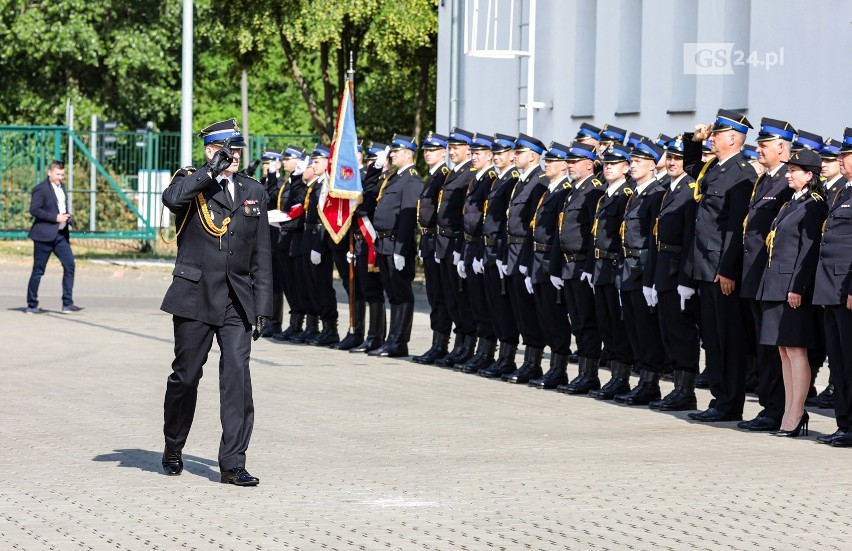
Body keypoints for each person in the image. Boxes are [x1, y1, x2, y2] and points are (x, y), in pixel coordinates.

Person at [160, 118, 272, 486]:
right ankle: (174, 445)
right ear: (211, 150)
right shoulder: (191, 182)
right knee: (186, 376)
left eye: (238, 150)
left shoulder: (253, 189)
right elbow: (172, 200)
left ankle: (232, 463)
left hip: (237, 301)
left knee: (238, 378)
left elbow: (262, 256)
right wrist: (211, 170)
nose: (235, 156)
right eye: (228, 150)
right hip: (194, 296)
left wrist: (263, 306)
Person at [684, 109, 757, 423]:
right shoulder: (715, 167)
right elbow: (690, 166)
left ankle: (730, 402)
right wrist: (694, 140)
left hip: (721, 269)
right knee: (712, 338)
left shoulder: (742, 173)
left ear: (732, 138)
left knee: (728, 338)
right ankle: (718, 398)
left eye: (716, 135)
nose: (711, 139)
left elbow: (736, 227)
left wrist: (727, 269)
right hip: (704, 264)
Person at [756, 148, 828, 437]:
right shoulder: (791, 203)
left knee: (796, 351)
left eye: (793, 171)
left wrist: (798, 287)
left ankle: (797, 412)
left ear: (809, 175)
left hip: (792, 288)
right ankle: (789, 409)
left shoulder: (814, 205)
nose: (788, 174)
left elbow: (809, 252)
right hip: (775, 285)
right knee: (783, 351)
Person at [737, 118, 795, 433]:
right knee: (763, 347)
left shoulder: (787, 182)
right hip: (755, 276)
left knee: (774, 348)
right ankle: (769, 406)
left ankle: (776, 409)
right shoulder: (765, 180)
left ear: (782, 147)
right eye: (759, 144)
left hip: (772, 277)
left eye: (764, 144)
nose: (758, 149)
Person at [646, 136, 701, 411]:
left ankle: (686, 391)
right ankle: (677, 388)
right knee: (668, 331)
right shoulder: (670, 189)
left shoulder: (690, 190)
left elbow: (691, 237)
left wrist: (686, 280)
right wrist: (651, 279)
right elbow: (656, 237)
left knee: (682, 333)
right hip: (663, 270)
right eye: (669, 157)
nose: (672, 162)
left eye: (677, 158)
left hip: (678, 270)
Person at [613, 138, 667, 406]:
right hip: (628, 268)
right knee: (633, 328)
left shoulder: (657, 193)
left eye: (637, 162)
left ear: (652, 165)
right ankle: (642, 380)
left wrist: (650, 277)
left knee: (646, 330)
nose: (632, 166)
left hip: (643, 268)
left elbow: (654, 239)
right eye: (631, 162)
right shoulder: (635, 193)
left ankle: (650, 383)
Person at [550, 142, 605, 394]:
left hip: (582, 263)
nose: (570, 166)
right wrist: (556, 266)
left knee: (587, 322)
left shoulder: (593, 191)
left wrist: (590, 266)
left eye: (574, 162)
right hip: (568, 265)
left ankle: (590, 374)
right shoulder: (573, 191)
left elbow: (596, 233)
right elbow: (561, 231)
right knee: (577, 323)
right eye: (568, 162)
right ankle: (583, 372)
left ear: (589, 164)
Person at [523, 141, 574, 389]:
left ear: (564, 165)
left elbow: (558, 233)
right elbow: (534, 230)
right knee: (543, 315)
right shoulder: (547, 191)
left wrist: (554, 267)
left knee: (555, 318)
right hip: (538, 260)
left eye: (552, 161)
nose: (547, 164)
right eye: (546, 160)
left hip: (551, 261)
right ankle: (549, 367)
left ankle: (559, 369)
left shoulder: (564, 191)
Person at [813, 127, 852, 446]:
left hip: (847, 290)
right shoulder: (845, 192)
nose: (840, 159)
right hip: (832, 289)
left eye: (845, 155)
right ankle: (845, 423)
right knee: (838, 362)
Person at [588, 143, 636, 400]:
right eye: (606, 164)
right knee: (606, 324)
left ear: (626, 168)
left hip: (616, 266)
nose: (607, 168)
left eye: (614, 164)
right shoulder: (606, 194)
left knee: (618, 327)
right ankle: (615, 377)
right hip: (600, 267)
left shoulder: (625, 195)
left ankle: (622, 378)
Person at [501, 133, 549, 383]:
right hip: (512, 250)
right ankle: (525, 361)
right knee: (518, 310)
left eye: (518, 153)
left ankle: (534, 362)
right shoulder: (521, 181)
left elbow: (533, 227)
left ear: (532, 156)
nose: (513, 156)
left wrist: (526, 260)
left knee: (529, 312)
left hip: (524, 251)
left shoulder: (539, 182)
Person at [368, 134, 421, 357]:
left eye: (397, 152)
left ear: (409, 154)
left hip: (396, 244)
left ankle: (400, 341)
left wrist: (401, 249)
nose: (393, 155)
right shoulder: (394, 177)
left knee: (402, 293)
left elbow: (408, 218)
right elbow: (369, 194)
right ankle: (392, 339)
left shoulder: (411, 179)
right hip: (383, 243)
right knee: (392, 294)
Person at [477, 134, 522, 378]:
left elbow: (509, 222)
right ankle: (495, 354)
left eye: (501, 154)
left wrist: (504, 254)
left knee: (504, 307)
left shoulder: (511, 179)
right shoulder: (499, 180)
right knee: (493, 304)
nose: (496, 157)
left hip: (502, 250)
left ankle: (507, 356)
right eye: (494, 154)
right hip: (490, 249)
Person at [434, 128, 478, 367]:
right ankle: (458, 344)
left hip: (456, 241)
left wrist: (461, 248)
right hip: (444, 242)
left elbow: (465, 216)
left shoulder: (469, 174)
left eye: (455, 148)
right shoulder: (453, 173)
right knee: (450, 297)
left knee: (462, 298)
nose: (451, 151)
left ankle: (467, 345)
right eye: (449, 148)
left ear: (467, 150)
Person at [456, 133, 499, 373]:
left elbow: (486, 222)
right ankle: (480, 351)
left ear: (490, 156)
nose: (473, 157)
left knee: (485, 303)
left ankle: (487, 351)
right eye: (472, 153)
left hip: (481, 247)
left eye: (478, 154)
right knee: (475, 302)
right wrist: (464, 252)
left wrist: (481, 253)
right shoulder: (476, 179)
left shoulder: (490, 179)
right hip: (470, 245)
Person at [411, 133, 453, 364]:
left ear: (442, 152)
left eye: (432, 150)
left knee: (442, 296)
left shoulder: (443, 176)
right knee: (434, 296)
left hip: (439, 241)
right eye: (426, 150)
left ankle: (442, 344)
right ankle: (437, 342)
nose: (427, 154)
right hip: (428, 241)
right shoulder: (433, 176)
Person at [26, 160, 83, 314]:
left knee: (69, 265)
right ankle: (32, 305)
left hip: (60, 235)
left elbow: (61, 207)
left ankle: (67, 303)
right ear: (49, 173)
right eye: (57, 174)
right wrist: (55, 218)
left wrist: (67, 217)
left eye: (62, 174)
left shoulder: (61, 187)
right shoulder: (40, 189)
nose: (60, 177)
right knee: (38, 270)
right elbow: (34, 210)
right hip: (44, 236)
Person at [270, 146, 309, 341]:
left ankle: (301, 324)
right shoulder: (289, 183)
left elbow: (296, 205)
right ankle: (294, 323)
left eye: (289, 159)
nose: (284, 162)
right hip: (282, 237)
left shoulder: (299, 183)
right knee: (287, 284)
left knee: (297, 284)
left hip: (294, 237)